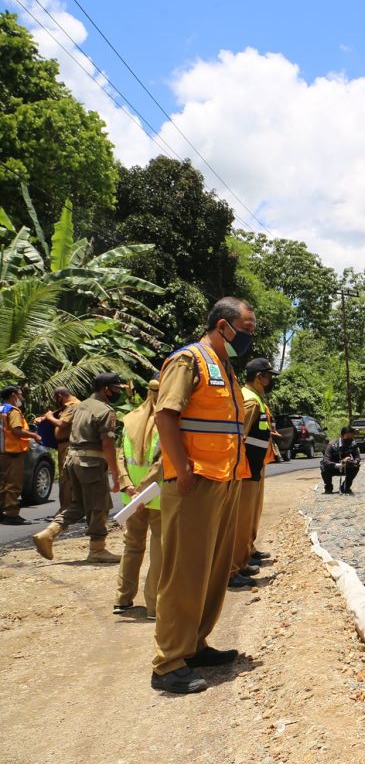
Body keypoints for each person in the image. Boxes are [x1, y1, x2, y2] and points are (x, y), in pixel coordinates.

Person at [150, 297, 254, 695]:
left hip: (223, 481)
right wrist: (183, 468)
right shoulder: (187, 361)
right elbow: (166, 415)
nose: (248, 339)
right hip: (194, 483)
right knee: (185, 572)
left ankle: (194, 645)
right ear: (223, 326)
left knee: (212, 570)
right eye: (245, 331)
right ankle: (168, 662)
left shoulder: (224, 367)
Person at [31, 374, 125, 559]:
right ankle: (97, 549)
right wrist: (116, 474)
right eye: (115, 389)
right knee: (100, 505)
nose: (117, 392)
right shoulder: (105, 411)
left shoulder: (80, 406)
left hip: (72, 460)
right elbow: (107, 445)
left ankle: (48, 534)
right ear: (106, 389)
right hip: (90, 463)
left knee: (79, 504)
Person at [114, 380, 164, 617]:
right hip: (157, 497)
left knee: (132, 547)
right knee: (159, 551)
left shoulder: (130, 419)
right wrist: (144, 489)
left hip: (131, 498)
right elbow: (163, 463)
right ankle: (154, 605)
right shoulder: (168, 420)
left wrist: (129, 486)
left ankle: (122, 599)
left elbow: (120, 456)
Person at [229, 357, 281, 589]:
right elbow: (239, 437)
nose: (271, 380)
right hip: (247, 469)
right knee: (242, 519)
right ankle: (234, 567)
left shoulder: (256, 399)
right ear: (259, 376)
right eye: (269, 375)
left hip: (255, 467)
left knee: (251, 515)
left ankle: (245, 555)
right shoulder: (249, 401)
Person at [1, 385, 42, 526]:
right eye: (20, 394)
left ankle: (1, 513)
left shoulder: (1, 409)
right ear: (13, 395)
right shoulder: (13, 411)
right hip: (13, 452)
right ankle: (12, 514)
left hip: (2, 452)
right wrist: (34, 435)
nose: (21, 397)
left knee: (2, 484)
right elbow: (17, 431)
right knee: (13, 484)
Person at [39, 387, 80, 513]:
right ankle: (73, 508)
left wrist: (50, 417)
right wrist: (44, 419)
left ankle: (65, 510)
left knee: (66, 479)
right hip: (65, 444)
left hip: (68, 445)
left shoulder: (72, 406)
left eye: (56, 399)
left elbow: (62, 424)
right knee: (70, 478)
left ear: (60, 396)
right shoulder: (68, 407)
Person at [321, 427, 360, 494]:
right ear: (342, 436)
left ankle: (345, 487)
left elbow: (357, 457)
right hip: (333, 467)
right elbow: (326, 460)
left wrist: (353, 461)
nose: (349, 439)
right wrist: (339, 465)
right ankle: (328, 487)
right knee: (323, 466)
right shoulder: (332, 445)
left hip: (346, 467)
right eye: (347, 437)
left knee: (355, 466)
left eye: (351, 437)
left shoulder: (353, 444)